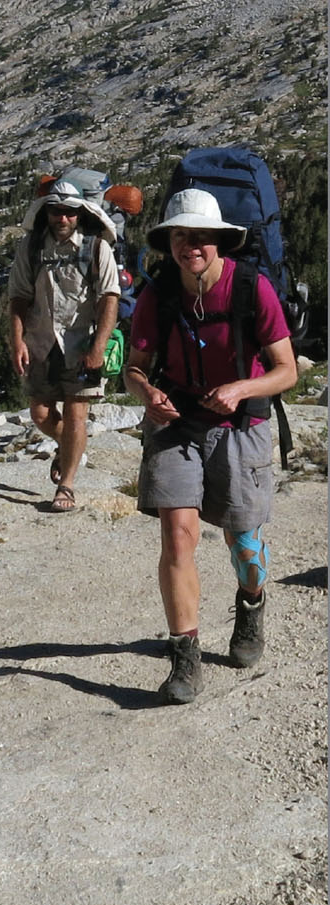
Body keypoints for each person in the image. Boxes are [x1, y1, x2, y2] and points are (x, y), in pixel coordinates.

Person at [122, 189, 297, 705]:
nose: (189, 246)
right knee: (178, 536)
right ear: (169, 241)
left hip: (241, 422)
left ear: (219, 241)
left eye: (199, 236)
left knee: (243, 539)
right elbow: (134, 367)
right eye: (180, 236)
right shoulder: (160, 294)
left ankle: (251, 603)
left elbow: (285, 370)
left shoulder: (251, 288)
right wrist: (146, 392)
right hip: (176, 421)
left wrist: (241, 388)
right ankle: (185, 656)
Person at [8, 179, 121, 512]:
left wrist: (98, 346)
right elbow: (18, 298)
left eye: (70, 212)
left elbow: (109, 298)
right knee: (41, 415)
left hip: (81, 342)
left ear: (79, 214)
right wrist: (16, 341)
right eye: (57, 211)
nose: (63, 218)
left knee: (76, 415)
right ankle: (69, 447)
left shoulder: (97, 247)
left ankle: (66, 487)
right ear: (47, 212)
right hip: (41, 341)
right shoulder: (30, 248)